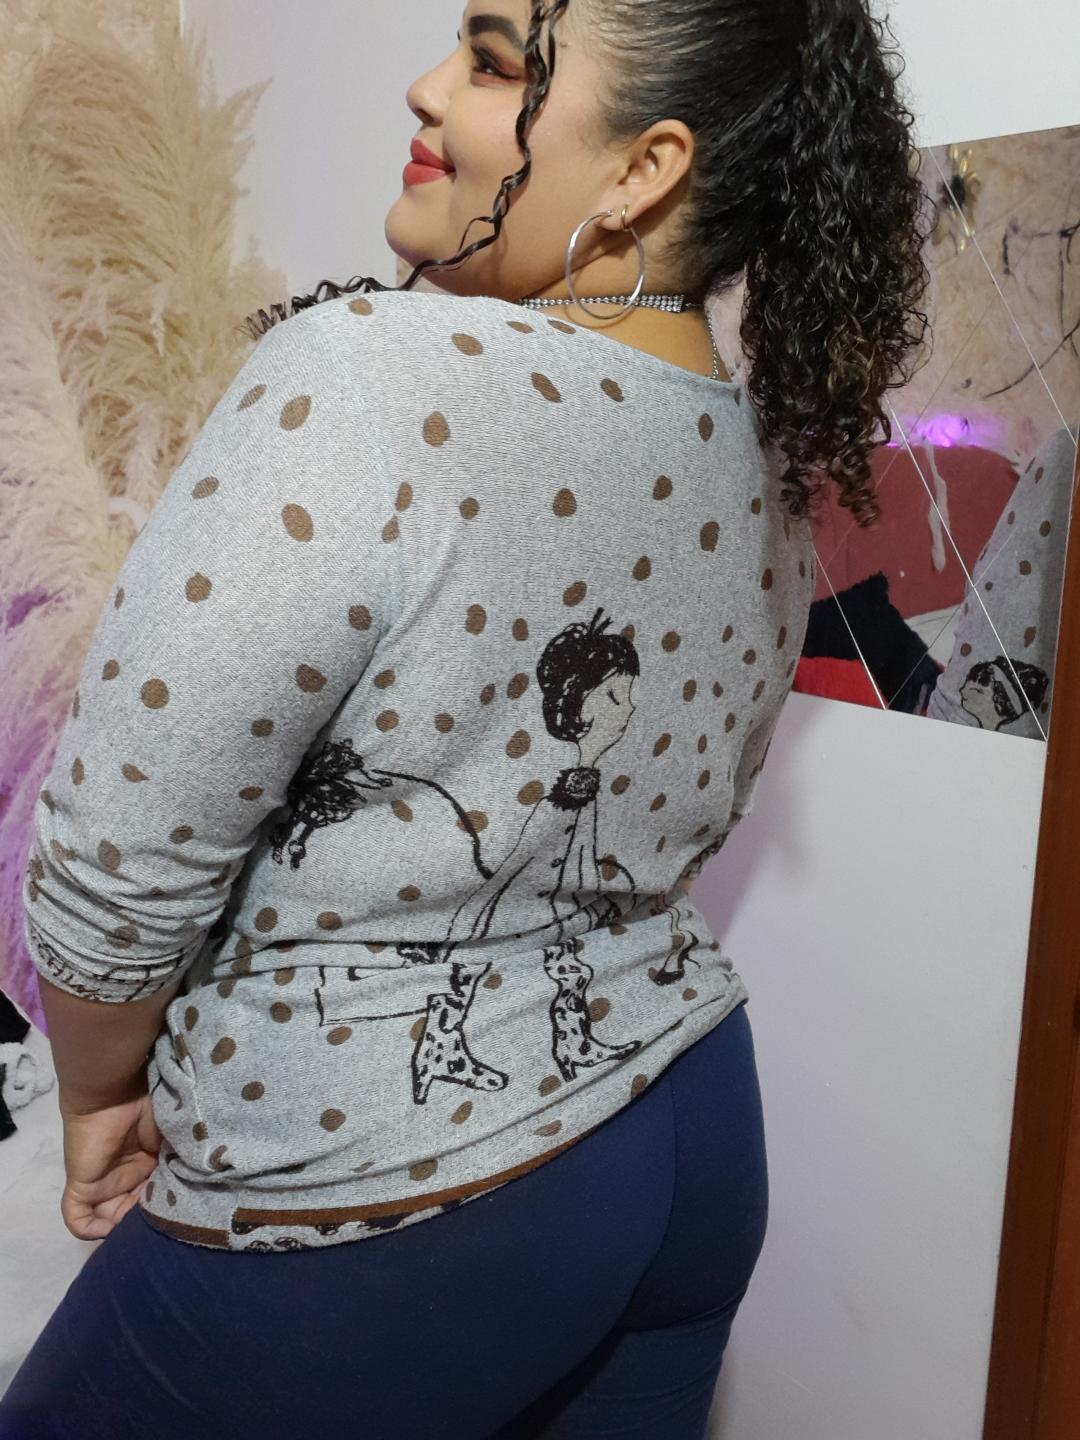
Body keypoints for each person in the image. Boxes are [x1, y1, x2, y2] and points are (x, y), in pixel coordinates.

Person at [0, 0, 931, 1435]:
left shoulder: (367, 369)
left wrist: (97, 1090)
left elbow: (121, 856)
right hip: (688, 1127)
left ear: (645, 170)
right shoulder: (761, 455)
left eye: (498, 65)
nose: (428, 88)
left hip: (384, 1183)